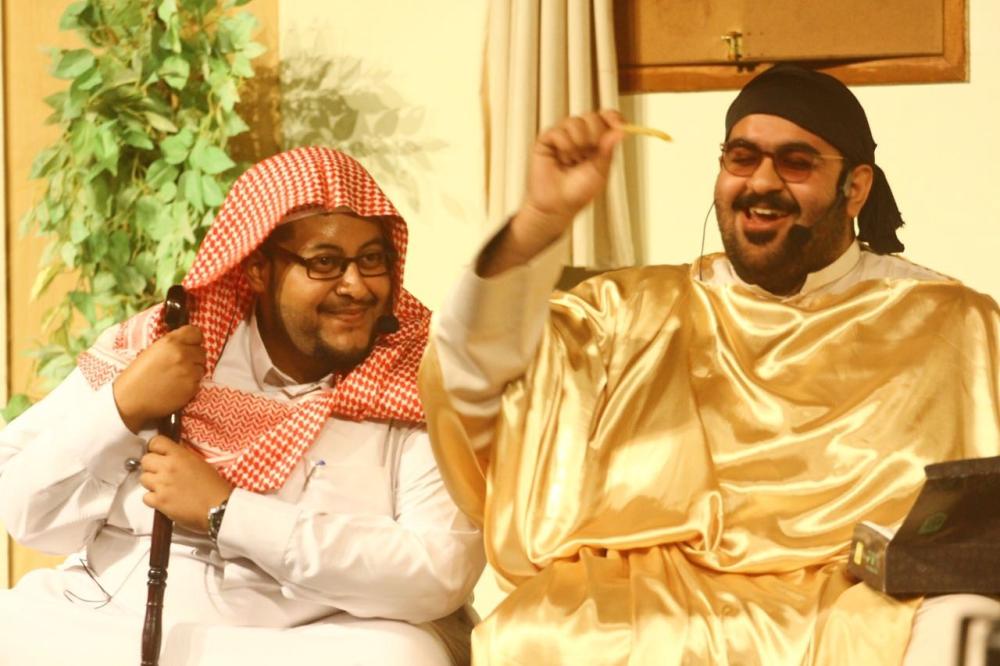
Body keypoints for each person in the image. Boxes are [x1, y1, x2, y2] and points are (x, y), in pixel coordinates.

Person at [419, 64, 1000, 665]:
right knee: (536, 630)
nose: (761, 182)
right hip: (649, 594)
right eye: (741, 158)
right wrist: (540, 218)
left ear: (855, 189)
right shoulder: (629, 312)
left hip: (859, 597)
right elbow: (471, 367)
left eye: (796, 163)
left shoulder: (946, 320)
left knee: (963, 620)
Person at [0, 146, 484, 665]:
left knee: (401, 658)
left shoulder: (412, 380)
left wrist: (227, 511)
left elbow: (439, 571)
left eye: (372, 260)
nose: (356, 286)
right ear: (256, 269)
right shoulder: (157, 348)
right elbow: (24, 513)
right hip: (116, 622)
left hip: (306, 639)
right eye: (325, 263)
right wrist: (121, 408)